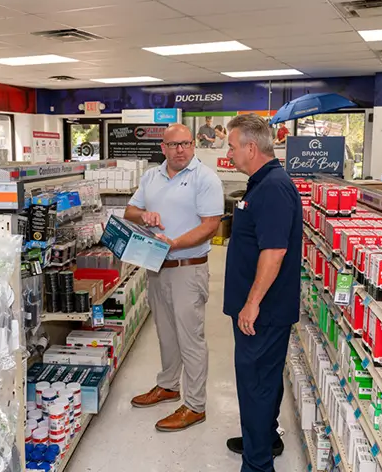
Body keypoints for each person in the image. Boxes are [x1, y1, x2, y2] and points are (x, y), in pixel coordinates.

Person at [124, 123, 224, 432]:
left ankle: (195, 405)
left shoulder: (204, 178)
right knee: (166, 333)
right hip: (157, 267)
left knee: (190, 338)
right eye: (173, 145)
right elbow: (130, 211)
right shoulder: (152, 177)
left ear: (194, 146)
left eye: (186, 143)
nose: (180, 149)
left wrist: (176, 243)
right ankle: (168, 385)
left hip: (187, 268)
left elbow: (211, 224)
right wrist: (145, 216)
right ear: (163, 148)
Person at [223, 113, 302, 472]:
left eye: (231, 145)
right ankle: (265, 438)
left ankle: (257, 464)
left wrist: (251, 303)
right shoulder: (263, 182)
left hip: (263, 312)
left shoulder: (272, 188)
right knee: (265, 380)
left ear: (250, 147)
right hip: (264, 309)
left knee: (254, 384)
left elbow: (274, 253)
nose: (228, 153)